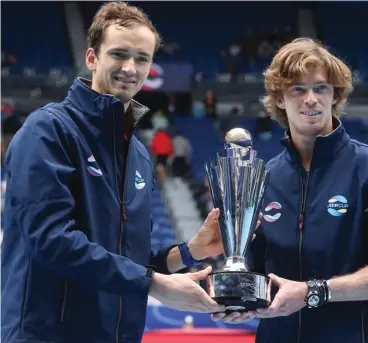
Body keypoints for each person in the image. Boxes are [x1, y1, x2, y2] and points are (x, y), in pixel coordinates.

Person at [1, 3, 228, 343]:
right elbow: (51, 240)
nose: (130, 68)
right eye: (119, 54)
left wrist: (190, 251)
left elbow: (130, 260)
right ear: (92, 58)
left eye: (142, 58)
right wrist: (155, 285)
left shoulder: (136, 151)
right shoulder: (47, 131)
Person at [212, 38, 368, 343]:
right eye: (298, 88)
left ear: (334, 96)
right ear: (280, 99)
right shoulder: (263, 177)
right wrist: (241, 301)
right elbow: (257, 270)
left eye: (321, 88)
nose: (311, 99)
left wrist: (314, 292)